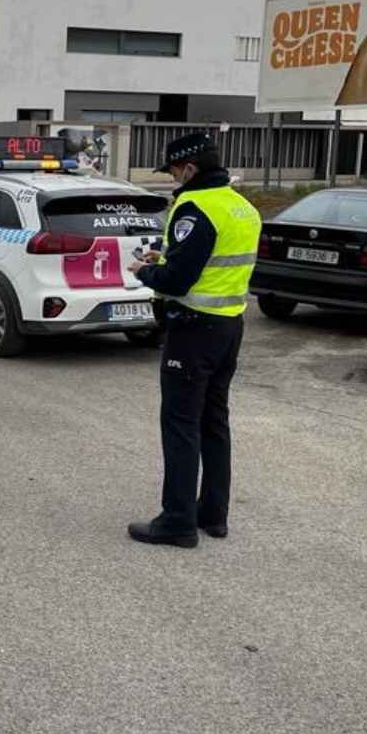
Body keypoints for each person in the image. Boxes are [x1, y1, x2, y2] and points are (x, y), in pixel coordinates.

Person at [124, 133, 261, 548]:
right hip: (229, 327)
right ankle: (212, 514)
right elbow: (211, 264)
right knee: (214, 422)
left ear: (189, 168)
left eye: (173, 172)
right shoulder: (242, 206)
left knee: (181, 424)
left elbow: (179, 281)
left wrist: (143, 271)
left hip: (193, 329)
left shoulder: (195, 206)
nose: (172, 180)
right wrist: (163, 258)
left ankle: (178, 521)